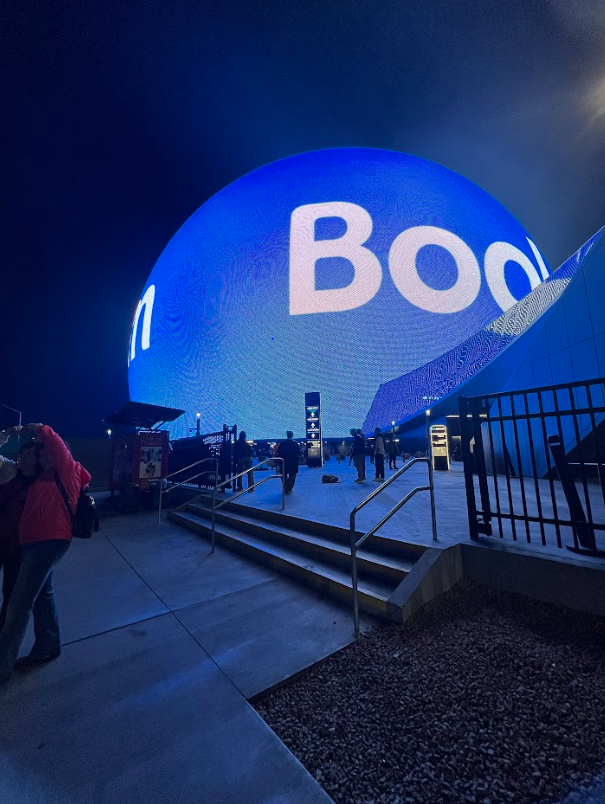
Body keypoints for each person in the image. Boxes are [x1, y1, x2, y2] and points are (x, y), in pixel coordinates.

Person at [0, 423, 91, 684]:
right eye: (41, 455)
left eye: (47, 452)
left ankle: (2, 667)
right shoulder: (42, 477)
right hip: (34, 544)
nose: (43, 456)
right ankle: (48, 645)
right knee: (42, 597)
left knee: (18, 606)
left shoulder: (66, 469)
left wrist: (34, 428)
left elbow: (53, 441)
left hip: (48, 542)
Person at [0, 441, 44, 632]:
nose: (24, 458)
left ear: (38, 459)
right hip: (1, 539)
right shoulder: (9, 474)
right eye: (22, 453)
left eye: (30, 454)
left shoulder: (41, 484)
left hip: (18, 548)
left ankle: (3, 631)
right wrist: (5, 436)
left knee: (10, 592)